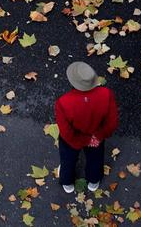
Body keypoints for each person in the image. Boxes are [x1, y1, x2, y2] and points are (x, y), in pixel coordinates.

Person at [54, 61, 119, 193]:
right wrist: (97, 137)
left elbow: (66, 131)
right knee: (95, 159)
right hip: (96, 135)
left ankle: (68, 183)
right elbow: (112, 122)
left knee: (68, 159)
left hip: (74, 138)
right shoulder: (106, 94)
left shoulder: (64, 102)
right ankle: (94, 181)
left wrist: (81, 141)